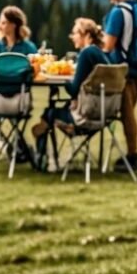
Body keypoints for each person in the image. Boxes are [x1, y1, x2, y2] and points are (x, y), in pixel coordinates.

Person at [32, 18, 111, 165]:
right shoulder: (100, 53)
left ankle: (41, 160)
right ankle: (44, 156)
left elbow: (74, 90)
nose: (72, 37)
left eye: (75, 33)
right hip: (105, 113)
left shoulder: (86, 53)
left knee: (49, 113)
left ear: (87, 35)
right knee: (53, 110)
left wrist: (63, 81)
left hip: (86, 116)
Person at [102, 0, 137, 172]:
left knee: (127, 116)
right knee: (129, 115)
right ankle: (131, 155)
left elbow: (108, 46)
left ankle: (132, 156)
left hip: (123, 72)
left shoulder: (119, 12)